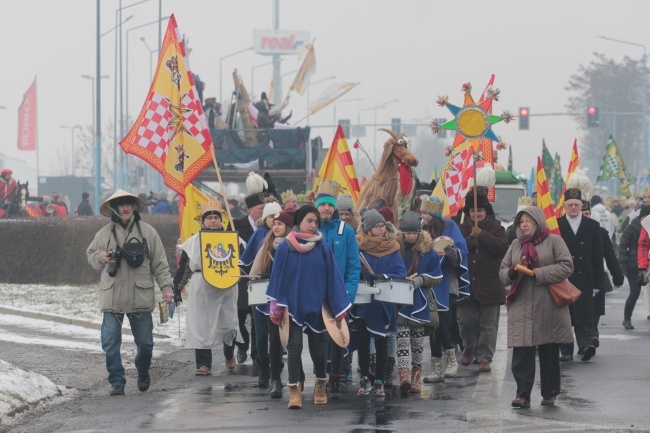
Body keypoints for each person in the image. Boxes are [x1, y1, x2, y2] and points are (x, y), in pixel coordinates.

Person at [86, 189, 174, 396]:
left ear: (133, 207)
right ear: (114, 209)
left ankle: (143, 371)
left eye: (128, 204)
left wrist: (167, 289)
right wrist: (102, 256)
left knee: (145, 343)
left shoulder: (148, 232)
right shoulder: (104, 233)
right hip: (112, 296)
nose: (125, 208)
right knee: (109, 342)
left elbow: (160, 264)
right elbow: (90, 256)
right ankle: (117, 381)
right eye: (121, 205)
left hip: (140, 296)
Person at [266, 205, 351, 409]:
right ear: (299, 221)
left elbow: (333, 277)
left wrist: (338, 307)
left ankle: (321, 385)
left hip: (318, 306)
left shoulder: (322, 247)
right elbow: (277, 277)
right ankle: (295, 392)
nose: (313, 225)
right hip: (292, 305)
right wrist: (275, 305)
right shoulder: (285, 247)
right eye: (309, 221)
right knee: (294, 350)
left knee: (318, 352)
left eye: (316, 222)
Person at [500, 205, 574, 408]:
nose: (524, 225)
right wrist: (513, 271)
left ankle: (550, 392)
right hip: (521, 304)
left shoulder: (554, 241)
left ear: (537, 221)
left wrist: (537, 273)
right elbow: (503, 271)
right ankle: (522, 395)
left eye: (528, 221)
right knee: (522, 351)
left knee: (549, 348)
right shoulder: (515, 244)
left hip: (547, 303)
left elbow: (567, 265)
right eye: (521, 221)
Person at [172, 200, 240, 375]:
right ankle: (203, 364)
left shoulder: (232, 239)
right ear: (203, 221)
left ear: (220, 220)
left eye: (215, 217)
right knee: (201, 325)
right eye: (209, 217)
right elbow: (183, 268)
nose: (212, 220)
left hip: (226, 285)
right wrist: (177, 288)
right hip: (201, 286)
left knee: (229, 325)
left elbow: (242, 264)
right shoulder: (192, 243)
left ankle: (229, 354)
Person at [352, 209, 406, 398]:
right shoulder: (358, 247)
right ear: (368, 229)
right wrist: (362, 274)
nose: (381, 229)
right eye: (377, 226)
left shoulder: (392, 247)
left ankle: (380, 380)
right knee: (363, 341)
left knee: (382, 341)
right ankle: (364, 378)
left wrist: (384, 276)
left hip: (384, 300)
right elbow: (352, 268)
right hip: (364, 300)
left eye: (383, 225)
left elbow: (400, 272)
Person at [314, 180, 360, 398]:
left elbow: (353, 266)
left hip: (339, 295)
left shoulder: (347, 231)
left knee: (339, 337)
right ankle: (320, 376)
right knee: (318, 338)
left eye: (329, 205)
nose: (326, 209)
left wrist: (347, 295)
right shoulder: (311, 229)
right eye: (322, 204)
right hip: (315, 294)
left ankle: (337, 377)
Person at [457, 187, 509, 372]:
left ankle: (485, 357)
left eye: (479, 210)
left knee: (489, 325)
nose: (476, 214)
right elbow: (458, 248)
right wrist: (472, 237)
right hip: (466, 285)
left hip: (490, 284)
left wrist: (482, 235)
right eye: (472, 211)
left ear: (485, 211)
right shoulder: (461, 228)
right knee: (466, 321)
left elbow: (502, 247)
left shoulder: (497, 228)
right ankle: (469, 346)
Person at [419, 196, 469, 383]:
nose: (422, 215)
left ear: (433, 214)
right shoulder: (421, 230)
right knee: (431, 323)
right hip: (427, 281)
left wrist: (452, 252)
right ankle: (436, 367)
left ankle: (450, 359)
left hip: (446, 282)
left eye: (425, 212)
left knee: (441, 321)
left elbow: (459, 255)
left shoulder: (449, 227)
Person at [250, 208, 294, 398]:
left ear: (288, 226)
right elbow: (255, 272)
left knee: (293, 341)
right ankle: (274, 379)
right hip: (271, 299)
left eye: (280, 224)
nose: (275, 227)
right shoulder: (266, 245)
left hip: (291, 298)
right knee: (273, 340)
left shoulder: (295, 245)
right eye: (274, 223)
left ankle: (296, 378)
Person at [396, 210, 442, 393]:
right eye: (408, 233)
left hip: (419, 302)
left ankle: (416, 374)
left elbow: (437, 276)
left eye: (414, 233)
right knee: (401, 339)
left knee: (416, 341)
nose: (411, 236)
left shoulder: (428, 251)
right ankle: (404, 375)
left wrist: (422, 279)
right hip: (399, 300)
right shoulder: (396, 248)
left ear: (419, 232)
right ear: (402, 232)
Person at [557, 188, 604, 362]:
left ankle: (585, 346)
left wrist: (599, 283)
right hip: (564, 276)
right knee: (565, 314)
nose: (574, 208)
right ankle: (566, 350)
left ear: (581, 205)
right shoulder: (556, 225)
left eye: (577, 204)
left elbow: (597, 256)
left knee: (584, 313)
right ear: (564, 206)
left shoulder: (592, 226)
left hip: (585, 276)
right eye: (570, 205)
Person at [239, 199, 282, 380]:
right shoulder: (259, 234)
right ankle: (263, 367)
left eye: (277, 217)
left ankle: (276, 372)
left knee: (278, 333)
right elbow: (245, 261)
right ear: (265, 219)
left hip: (279, 288)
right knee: (261, 333)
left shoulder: (287, 237)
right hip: (259, 288)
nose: (274, 220)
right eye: (271, 216)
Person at [233, 172, 272, 366]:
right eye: (261, 208)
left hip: (261, 280)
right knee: (240, 315)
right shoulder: (236, 226)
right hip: (241, 280)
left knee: (259, 319)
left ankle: (258, 355)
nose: (263, 211)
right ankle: (242, 345)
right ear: (250, 211)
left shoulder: (268, 228)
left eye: (265, 208)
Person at [582, 200, 624, 345]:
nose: (584, 216)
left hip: (596, 276)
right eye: (582, 214)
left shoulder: (600, 231)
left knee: (595, 308)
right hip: (576, 278)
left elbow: (610, 255)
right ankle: (585, 339)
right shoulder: (568, 231)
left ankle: (593, 334)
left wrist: (617, 276)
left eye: (587, 213)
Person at [619, 206, 650, 329]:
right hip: (634, 265)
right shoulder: (631, 228)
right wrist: (623, 265)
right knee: (634, 293)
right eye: (645, 217)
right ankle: (627, 318)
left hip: (646, 264)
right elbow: (622, 247)